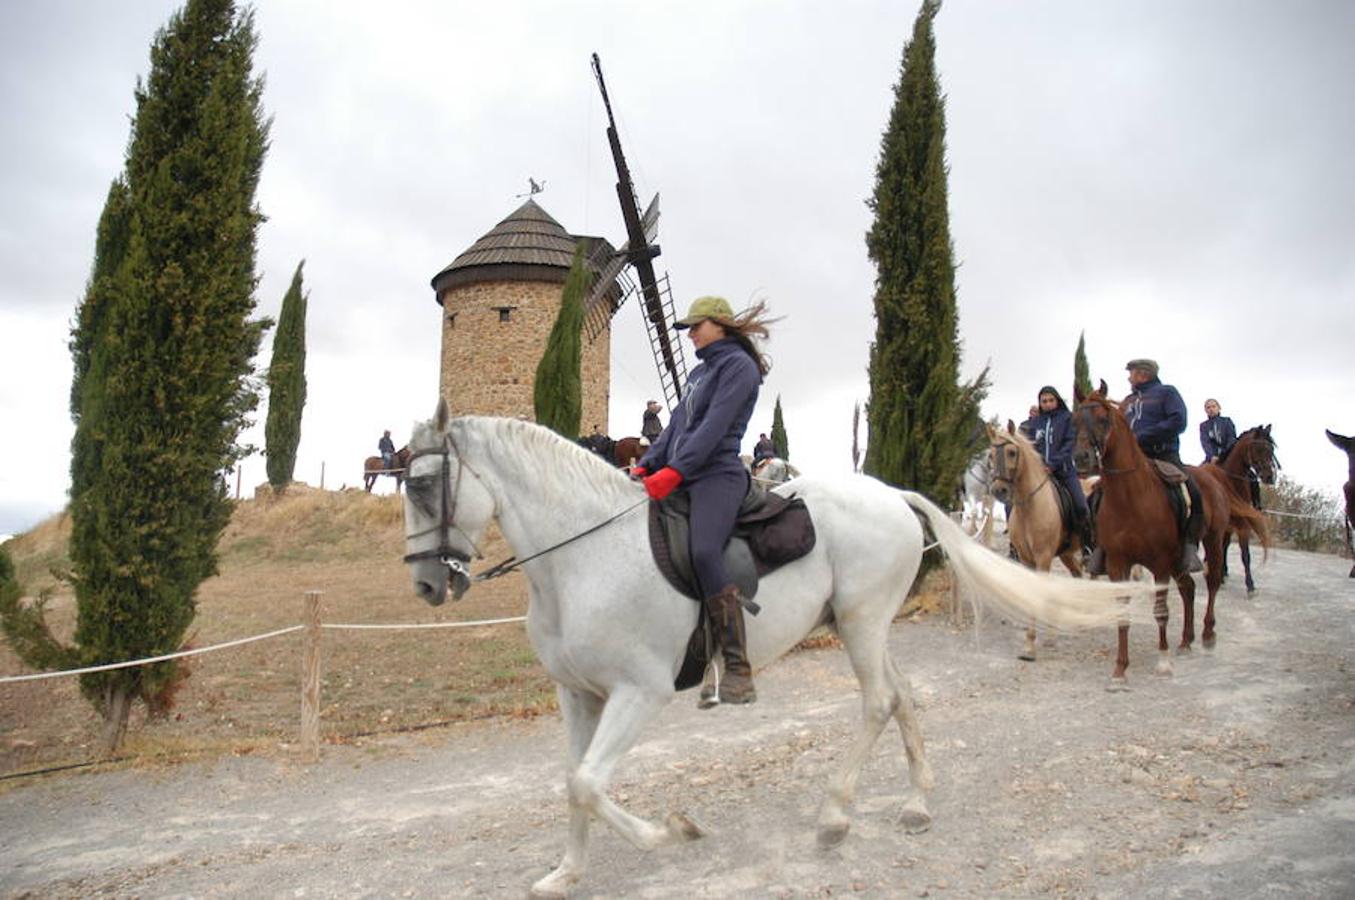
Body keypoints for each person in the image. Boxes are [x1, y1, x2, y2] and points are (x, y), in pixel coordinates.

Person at [633, 295, 776, 707]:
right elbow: (677, 425)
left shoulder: (738, 367)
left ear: (720, 325)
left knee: (703, 551)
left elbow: (713, 428)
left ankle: (737, 666)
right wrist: (648, 465)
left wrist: (676, 471)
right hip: (684, 473)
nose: (691, 333)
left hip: (717, 475)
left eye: (696, 326)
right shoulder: (699, 372)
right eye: (688, 328)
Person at [1120, 358, 1202, 573]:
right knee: (1101, 491)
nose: (1129, 378)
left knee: (1193, 494)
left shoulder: (1167, 393)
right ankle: (1101, 547)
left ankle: (1190, 547)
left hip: (1164, 455)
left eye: (1132, 373)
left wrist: (1142, 436)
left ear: (1144, 374)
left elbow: (1178, 421)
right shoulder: (1127, 400)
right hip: (1132, 460)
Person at [1025, 386, 1094, 558]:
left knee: (1081, 506)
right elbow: (1031, 447)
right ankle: (1016, 545)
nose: (1047, 404)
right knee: (1016, 503)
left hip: (1064, 472)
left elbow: (1069, 445)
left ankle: (1087, 547)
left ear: (1057, 401)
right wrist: (1038, 465)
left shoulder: (1066, 419)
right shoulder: (1036, 423)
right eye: (1044, 401)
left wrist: (1052, 464)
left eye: (1050, 400)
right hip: (1040, 474)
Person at [1199, 398, 1237, 464]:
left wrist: (1224, 454)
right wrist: (1212, 456)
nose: (1211, 409)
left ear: (1219, 408)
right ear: (1205, 410)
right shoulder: (1204, 426)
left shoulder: (1227, 421)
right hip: (1212, 458)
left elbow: (1231, 438)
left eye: (1213, 406)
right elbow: (1205, 442)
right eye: (1208, 407)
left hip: (1228, 455)